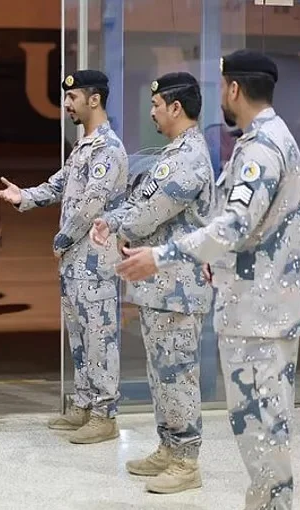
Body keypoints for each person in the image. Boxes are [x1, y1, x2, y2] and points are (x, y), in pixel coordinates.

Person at [116, 50, 300, 510]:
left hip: (259, 317)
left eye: (222, 86)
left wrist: (161, 256)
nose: (220, 94)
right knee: (259, 439)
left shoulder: (261, 148)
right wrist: (215, 263)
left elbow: (233, 225)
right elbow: (250, 230)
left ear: (234, 88)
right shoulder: (262, 141)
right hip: (256, 311)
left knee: (264, 438)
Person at [90, 72, 214, 494]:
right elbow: (141, 199)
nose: (152, 113)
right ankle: (169, 446)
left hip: (178, 288)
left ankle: (186, 460)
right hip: (160, 287)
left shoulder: (188, 158)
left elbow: (148, 213)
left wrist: (116, 225)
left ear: (176, 107)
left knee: (178, 374)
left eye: (157, 106)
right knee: (162, 373)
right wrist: (113, 220)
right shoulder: (173, 154)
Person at [0, 70, 128, 444]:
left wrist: (62, 238)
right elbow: (59, 184)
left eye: (72, 97)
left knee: (100, 337)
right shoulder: (83, 146)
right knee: (80, 336)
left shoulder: (107, 149)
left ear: (94, 99)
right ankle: (84, 405)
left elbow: (91, 204)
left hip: (95, 261)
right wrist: (24, 196)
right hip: (76, 263)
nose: (66, 104)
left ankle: (104, 415)